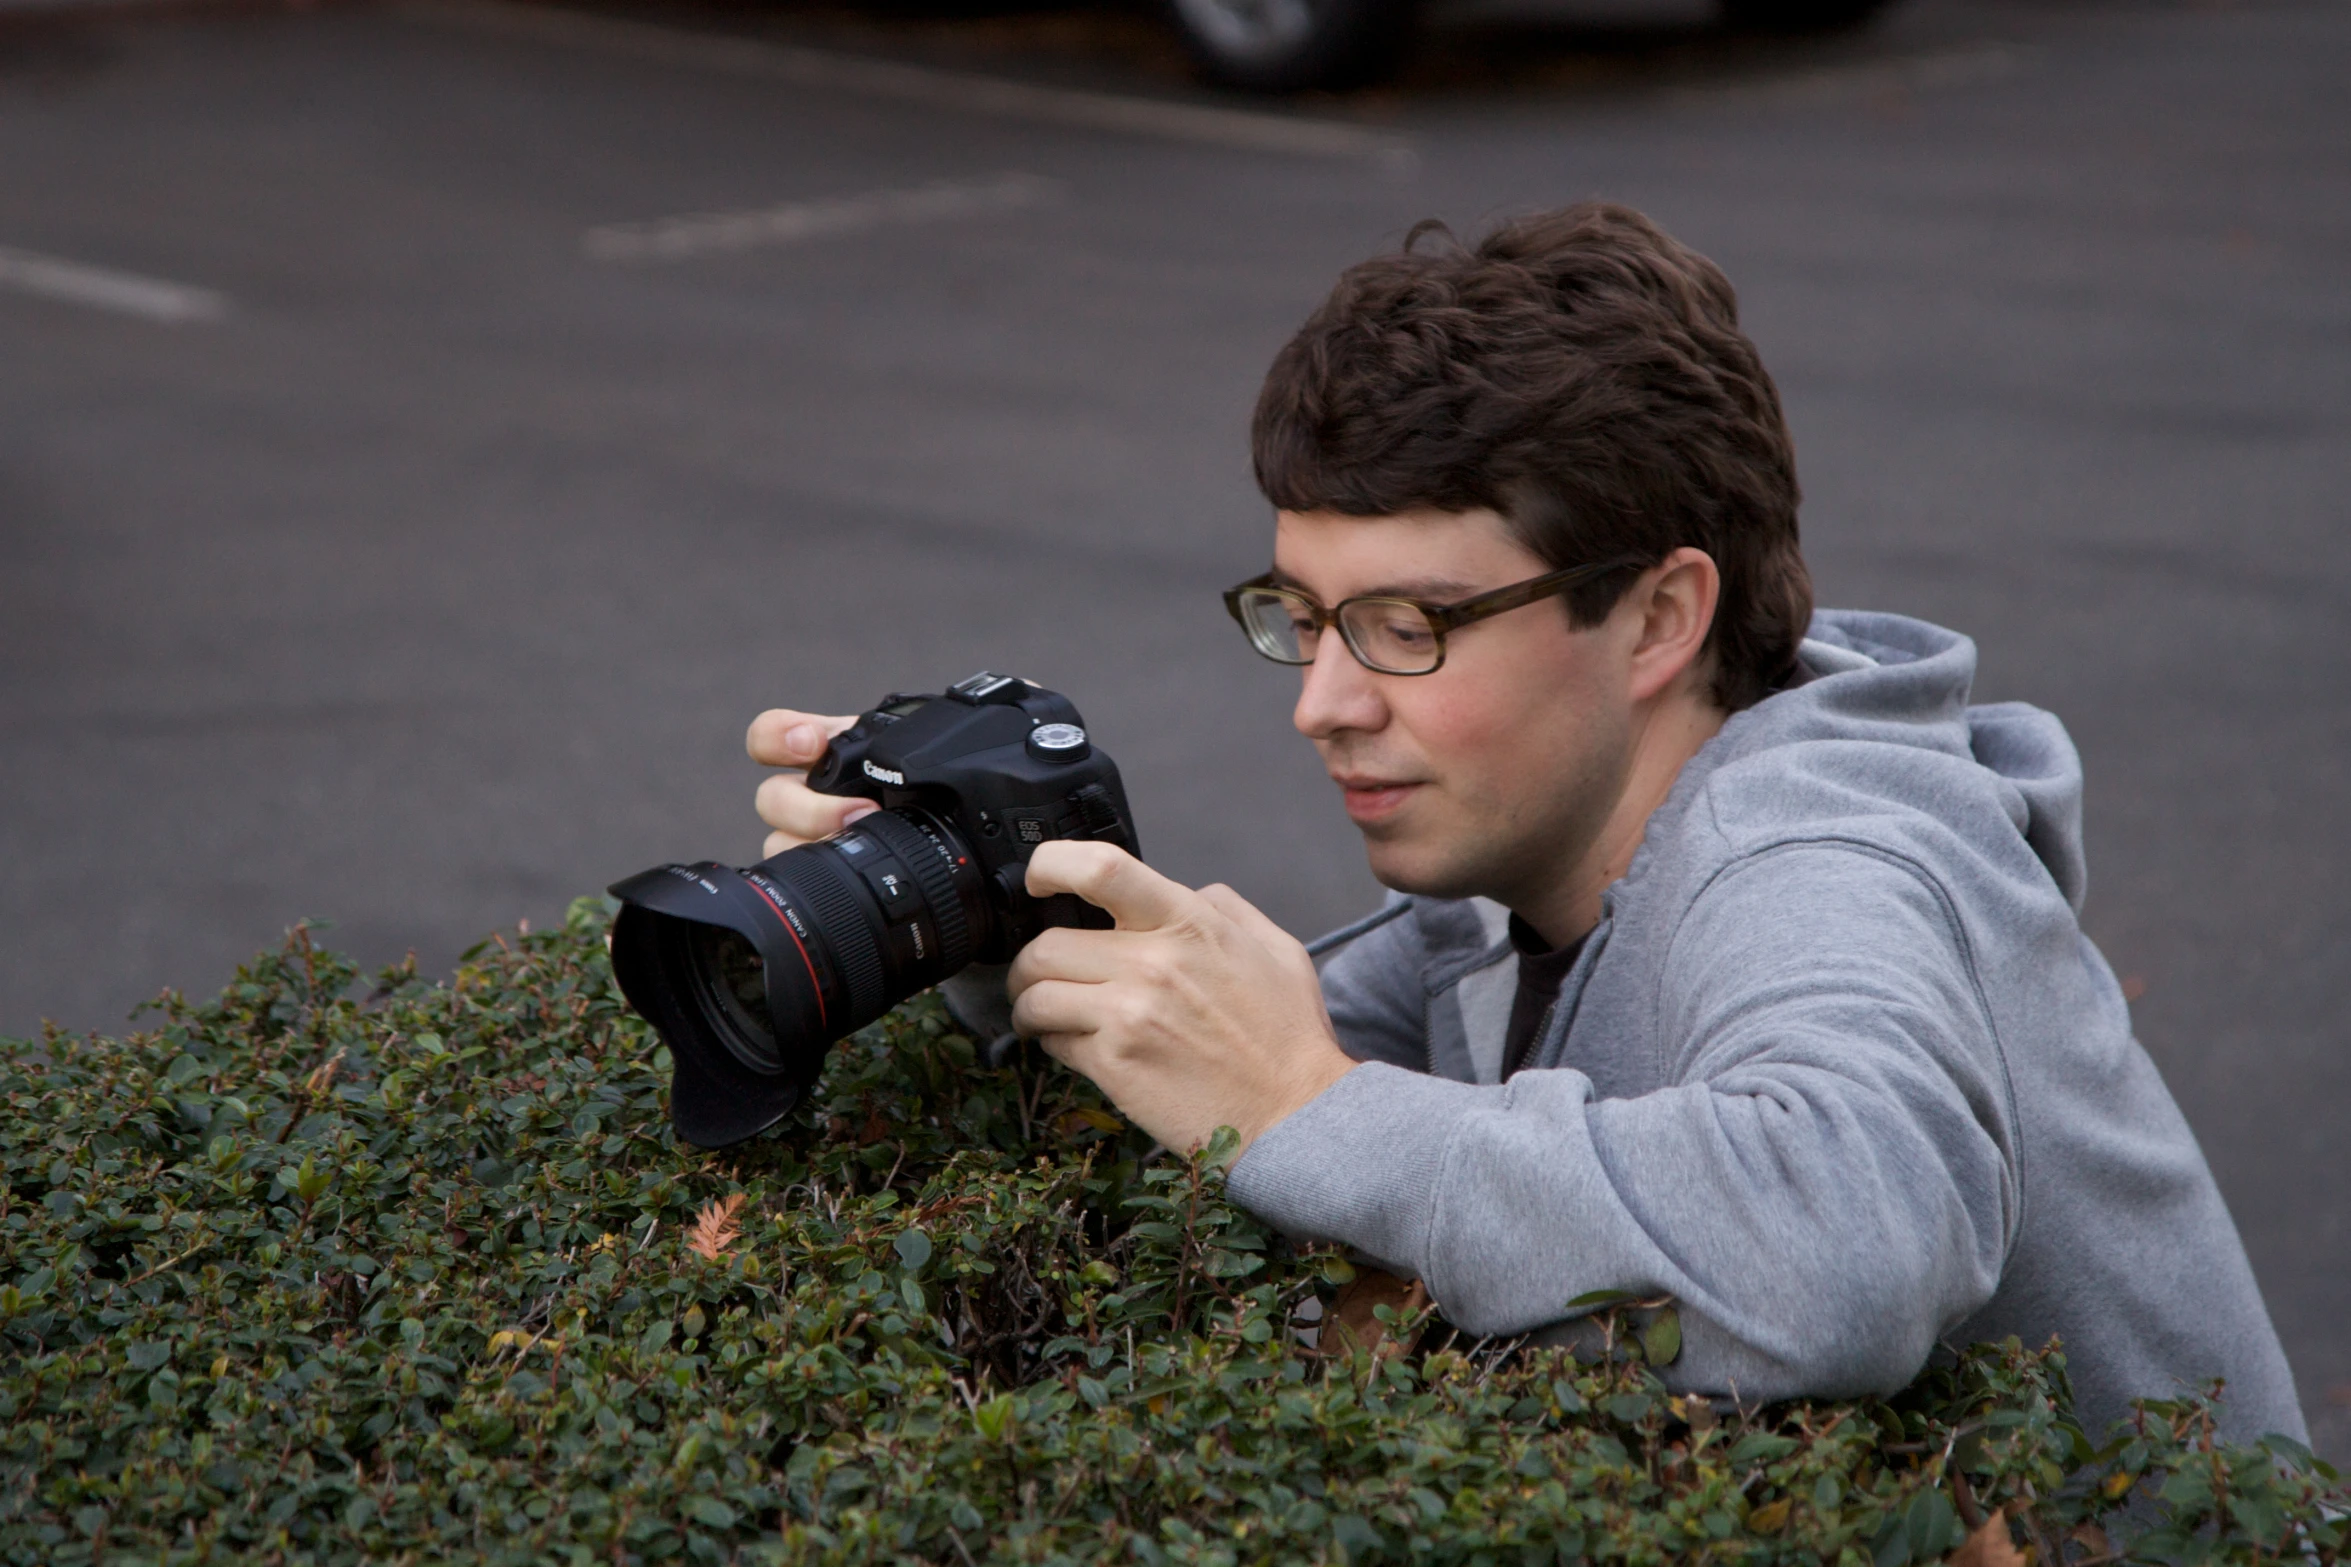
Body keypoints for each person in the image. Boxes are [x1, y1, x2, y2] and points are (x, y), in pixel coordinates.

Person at [746, 204, 2305, 1443]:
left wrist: (1305, 1105)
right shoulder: (1503, 889)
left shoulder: (1818, 851)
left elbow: (1850, 1240)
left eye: (1409, 624)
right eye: (1303, 616)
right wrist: (985, 907)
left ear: (1654, 618)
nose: (1325, 703)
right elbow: (1223, 1086)